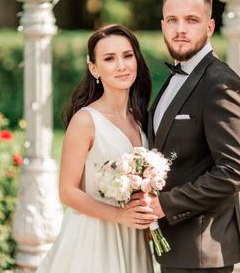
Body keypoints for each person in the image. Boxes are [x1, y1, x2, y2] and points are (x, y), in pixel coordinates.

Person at [133, 0, 240, 273]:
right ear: (163, 25)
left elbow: (236, 169)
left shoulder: (221, 84)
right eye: (172, 20)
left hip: (204, 249)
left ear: (210, 26)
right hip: (175, 247)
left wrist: (166, 205)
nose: (180, 29)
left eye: (192, 20)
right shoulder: (176, 78)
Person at [37, 24, 156, 273]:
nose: (121, 65)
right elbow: (68, 192)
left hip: (132, 236)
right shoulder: (85, 120)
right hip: (94, 236)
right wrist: (119, 216)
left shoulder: (140, 118)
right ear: (94, 68)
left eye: (127, 55)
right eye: (109, 59)